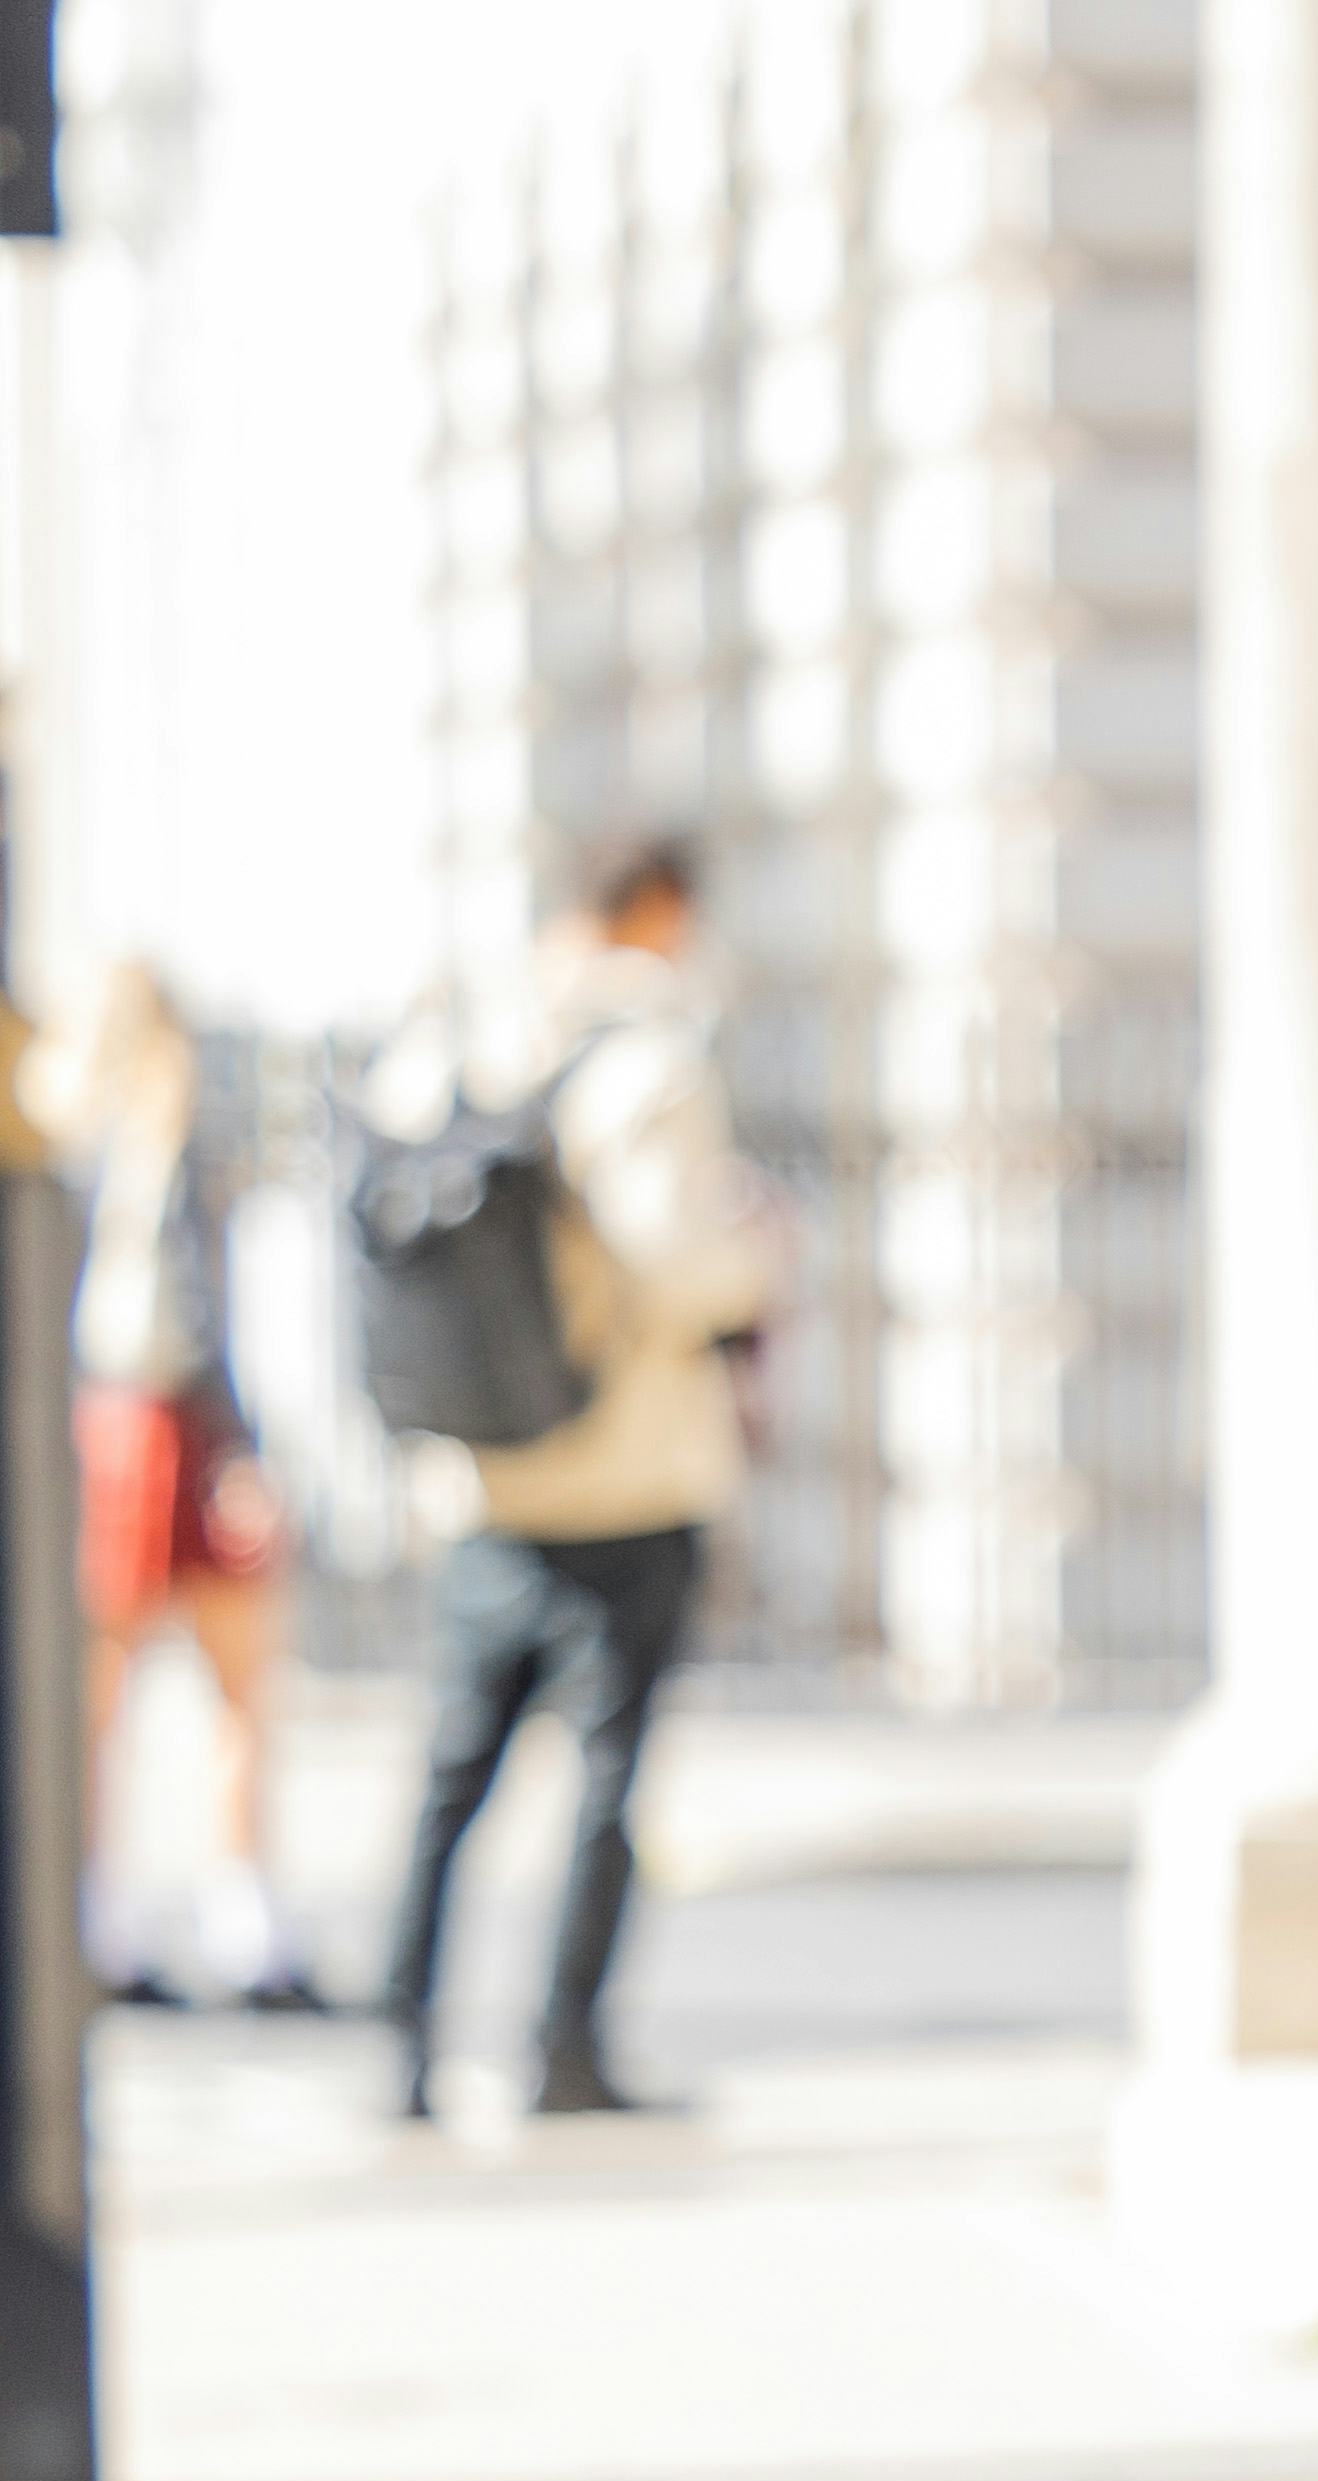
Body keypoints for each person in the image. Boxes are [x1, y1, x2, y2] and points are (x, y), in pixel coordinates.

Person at [372, 835, 783, 2119]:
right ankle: (566, 2050)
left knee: (453, 1778)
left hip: (482, 1480)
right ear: (658, 910)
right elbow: (676, 1259)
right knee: (603, 1783)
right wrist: (758, 1248)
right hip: (626, 1479)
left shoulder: (453, 1042)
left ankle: (407, 2051)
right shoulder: (649, 1062)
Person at [41, 958, 323, 2010]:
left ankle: (106, 1921)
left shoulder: (66, 1149)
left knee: (100, 1704)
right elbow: (204, 1315)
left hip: (92, 1426)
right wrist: (242, 1450)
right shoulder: (165, 1145)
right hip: (170, 1426)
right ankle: (240, 1926)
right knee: (235, 1692)